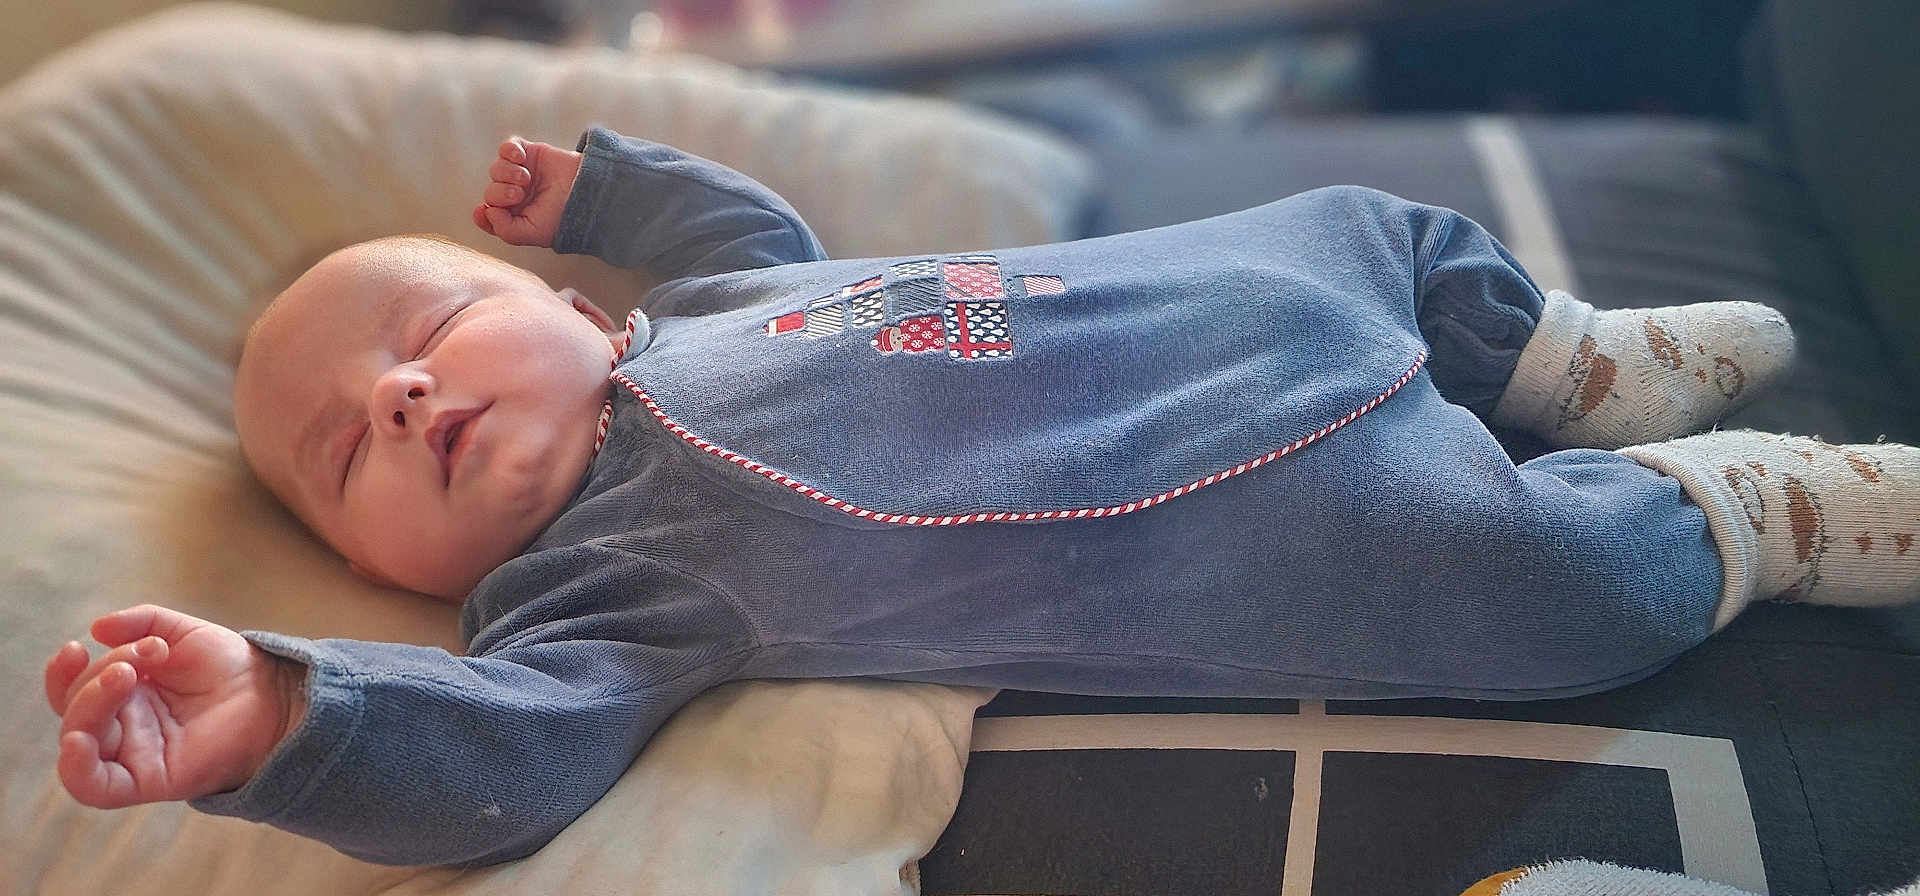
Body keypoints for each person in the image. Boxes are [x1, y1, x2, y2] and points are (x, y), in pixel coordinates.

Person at [42, 127, 1919, 866]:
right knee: (1552, 601)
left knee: (1382, 224)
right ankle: (1740, 512)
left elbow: (755, 230)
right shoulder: (586, 597)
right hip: (1267, 520)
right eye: (345, 452)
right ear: (369, 560)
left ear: (570, 313)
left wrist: (607, 189)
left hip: (1247, 284)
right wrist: (289, 709)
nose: (405, 391)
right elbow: (496, 760)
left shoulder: (704, 304)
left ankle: (1563, 362)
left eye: (435, 324)